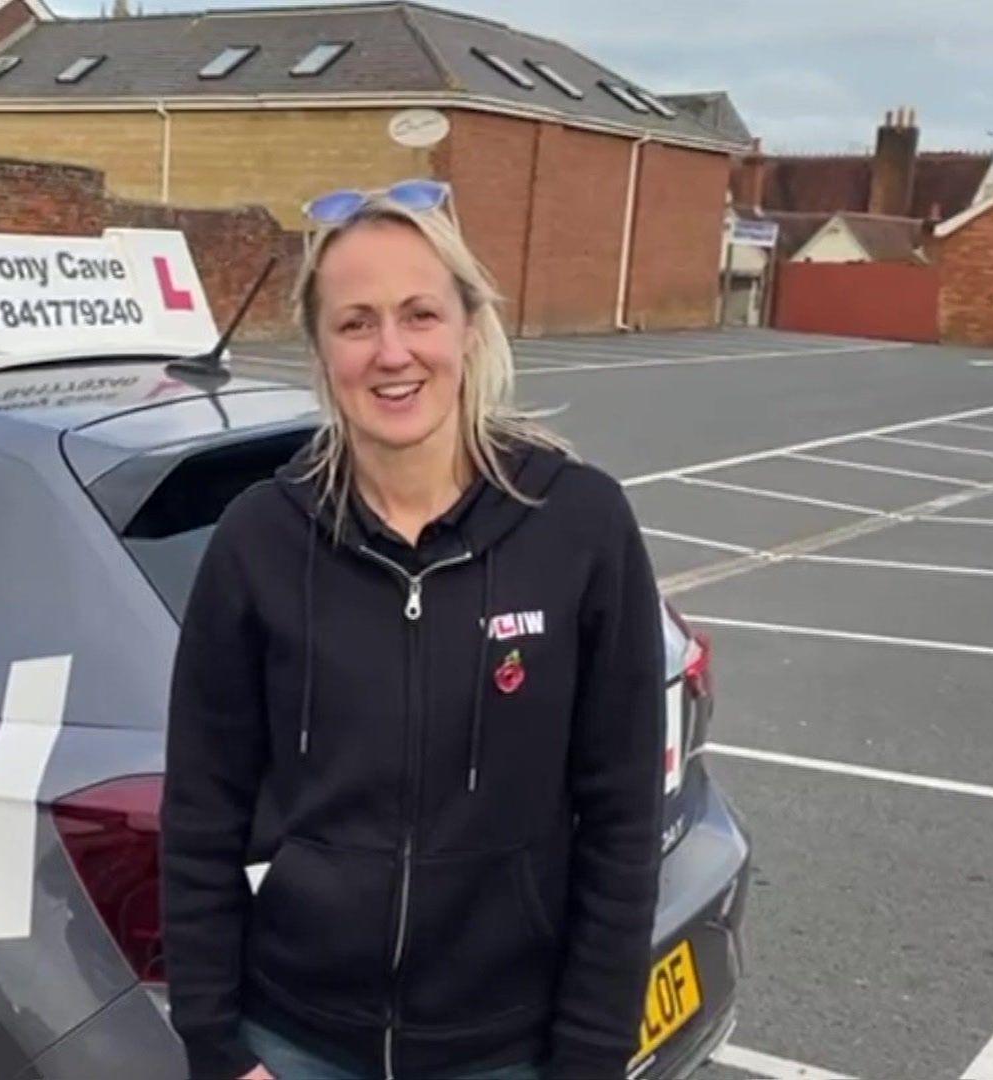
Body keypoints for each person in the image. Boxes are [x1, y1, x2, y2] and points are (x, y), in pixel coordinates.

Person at [160, 179, 666, 1080]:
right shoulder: (258, 540)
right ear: (320, 348)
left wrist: (591, 1055)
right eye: (356, 323)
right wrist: (216, 1045)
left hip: (506, 1049)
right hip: (293, 1040)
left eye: (419, 314)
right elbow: (201, 811)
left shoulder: (578, 526)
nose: (392, 353)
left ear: (469, 327)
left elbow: (622, 819)